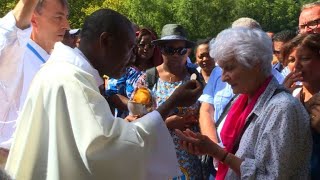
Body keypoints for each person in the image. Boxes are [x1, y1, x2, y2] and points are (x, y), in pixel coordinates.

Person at [5, 9, 203, 180]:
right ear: (106, 41)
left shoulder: (62, 73)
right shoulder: (72, 81)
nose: (132, 56)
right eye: (128, 47)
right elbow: (108, 149)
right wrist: (172, 102)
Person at [178, 27, 312, 179]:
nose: (223, 78)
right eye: (222, 69)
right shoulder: (243, 100)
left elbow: (271, 177)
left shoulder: (282, 108)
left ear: (254, 64)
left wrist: (218, 153)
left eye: (229, 68)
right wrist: (208, 148)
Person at [0, 0, 69, 160]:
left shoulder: (56, 61)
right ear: (33, 19)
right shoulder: (16, 54)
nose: (66, 25)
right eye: (58, 17)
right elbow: (12, 32)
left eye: (66, 17)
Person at [151, 24, 205, 179]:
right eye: (169, 50)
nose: (175, 55)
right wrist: (167, 124)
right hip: (158, 160)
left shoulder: (197, 79)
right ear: (161, 49)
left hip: (192, 161)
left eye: (180, 50)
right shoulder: (148, 78)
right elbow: (136, 122)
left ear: (187, 51)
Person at [282, 33, 320, 179]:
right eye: (291, 60)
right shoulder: (291, 95)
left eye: (305, 58)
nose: (296, 66)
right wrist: (281, 98)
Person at [106, 28, 162, 117]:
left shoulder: (154, 72)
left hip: (146, 121)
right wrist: (134, 106)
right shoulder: (125, 68)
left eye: (150, 46)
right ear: (135, 46)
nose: (146, 48)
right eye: (142, 45)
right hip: (124, 120)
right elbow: (111, 94)